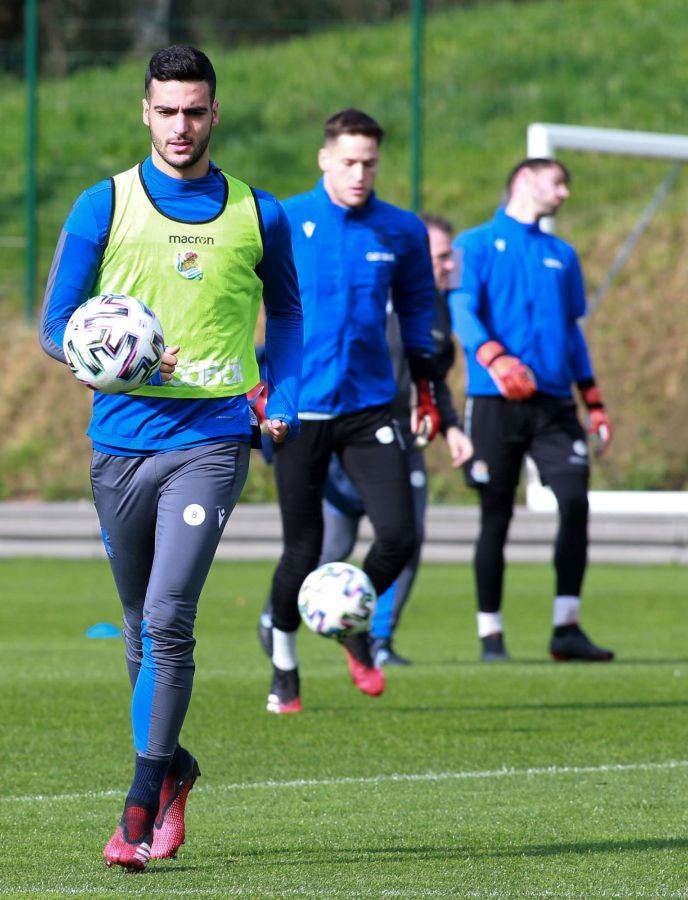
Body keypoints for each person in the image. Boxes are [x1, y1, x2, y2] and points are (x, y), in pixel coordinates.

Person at [39, 45, 303, 871]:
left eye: (196, 111)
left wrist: (281, 397)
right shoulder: (103, 205)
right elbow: (54, 325)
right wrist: (109, 357)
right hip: (119, 443)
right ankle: (178, 767)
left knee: (168, 619)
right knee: (134, 625)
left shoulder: (259, 212)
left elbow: (289, 315)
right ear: (144, 112)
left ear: (214, 113)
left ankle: (138, 804)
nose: (182, 126)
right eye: (168, 111)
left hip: (213, 440)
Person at [263, 108, 443, 714]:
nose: (360, 174)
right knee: (303, 548)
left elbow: (419, 312)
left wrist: (429, 387)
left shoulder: (400, 229)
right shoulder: (285, 219)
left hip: (370, 407)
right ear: (324, 160)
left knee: (399, 534)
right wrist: (250, 385)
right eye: (348, 162)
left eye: (369, 163)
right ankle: (284, 669)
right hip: (299, 407)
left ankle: (353, 621)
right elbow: (239, 303)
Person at [257, 215, 473, 669]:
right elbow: (282, 341)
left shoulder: (432, 312)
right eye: (437, 255)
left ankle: (373, 636)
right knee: (325, 546)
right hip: (324, 425)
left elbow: (429, 375)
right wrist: (268, 404)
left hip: (389, 435)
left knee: (403, 539)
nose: (445, 264)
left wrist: (450, 424)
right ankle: (285, 627)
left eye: (447, 256)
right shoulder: (363, 295)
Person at [449, 157, 615, 664]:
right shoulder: (473, 245)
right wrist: (493, 356)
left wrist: (594, 399)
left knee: (575, 499)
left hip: (553, 403)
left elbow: (571, 332)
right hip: (495, 401)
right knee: (496, 513)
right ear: (525, 181)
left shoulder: (562, 255)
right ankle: (490, 634)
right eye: (557, 182)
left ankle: (566, 627)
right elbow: (461, 308)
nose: (564, 193)